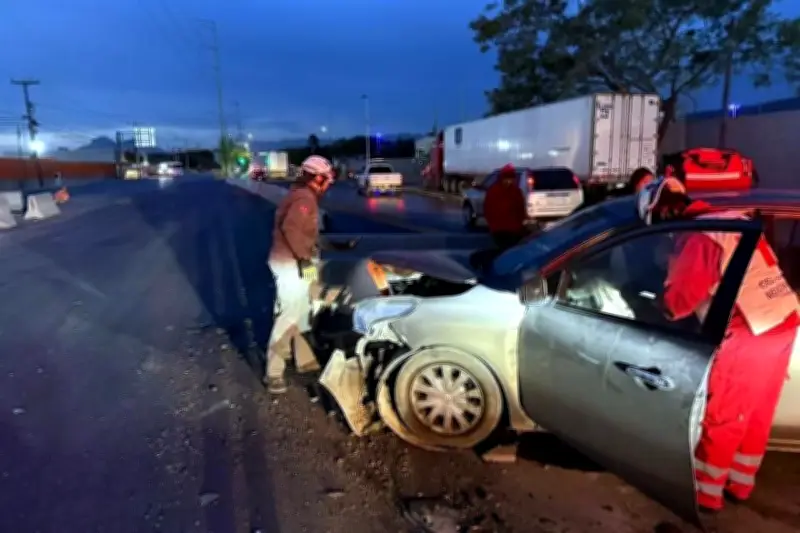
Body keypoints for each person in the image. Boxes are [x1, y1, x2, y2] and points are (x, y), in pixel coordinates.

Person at [640, 177, 799, 512]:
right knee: (754, 412)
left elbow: (680, 300)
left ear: (664, 215)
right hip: (782, 320)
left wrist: (657, 304)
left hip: (750, 330)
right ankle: (740, 483)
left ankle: (706, 493)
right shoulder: (730, 219)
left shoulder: (700, 236)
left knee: (725, 414)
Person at [265, 154, 335, 394]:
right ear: (316, 178)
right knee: (289, 313)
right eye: (326, 179)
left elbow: (305, 233)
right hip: (291, 264)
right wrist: (305, 260)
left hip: (302, 261)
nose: (328, 184)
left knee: (305, 307)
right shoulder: (304, 198)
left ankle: (306, 362)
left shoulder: (304, 196)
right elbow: (291, 228)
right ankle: (273, 372)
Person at [484, 164, 527, 249]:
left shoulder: (516, 191)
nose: (509, 181)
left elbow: (521, 209)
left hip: (512, 229)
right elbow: (487, 209)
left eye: (511, 179)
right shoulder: (494, 191)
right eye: (507, 179)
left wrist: (520, 223)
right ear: (502, 178)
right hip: (499, 229)